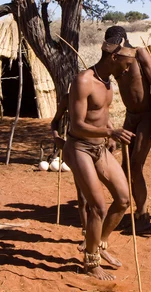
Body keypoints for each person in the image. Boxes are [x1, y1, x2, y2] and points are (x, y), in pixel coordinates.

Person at [63, 37, 135, 281]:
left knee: (124, 200)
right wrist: (109, 132)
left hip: (101, 147)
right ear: (114, 58)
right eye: (127, 63)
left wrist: (111, 130)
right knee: (98, 207)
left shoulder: (108, 83)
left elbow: (101, 114)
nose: (128, 69)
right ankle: (90, 262)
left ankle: (98, 243)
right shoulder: (83, 81)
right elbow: (78, 124)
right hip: (79, 148)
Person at [104, 26, 151, 232]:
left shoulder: (139, 54)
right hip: (130, 117)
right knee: (125, 168)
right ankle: (133, 211)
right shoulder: (115, 59)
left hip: (147, 116)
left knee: (136, 165)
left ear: (122, 41)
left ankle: (144, 215)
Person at [50, 90, 96, 251]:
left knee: (96, 199)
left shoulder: (95, 97)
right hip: (77, 149)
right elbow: (55, 121)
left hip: (96, 149)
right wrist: (56, 137)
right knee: (83, 197)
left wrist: (110, 136)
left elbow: (104, 120)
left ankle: (97, 235)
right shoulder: (67, 99)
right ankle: (86, 235)